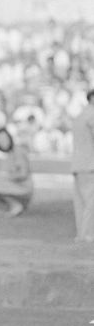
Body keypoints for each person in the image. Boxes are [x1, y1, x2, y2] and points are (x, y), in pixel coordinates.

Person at [71, 89, 94, 242]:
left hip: (78, 164)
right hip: (90, 164)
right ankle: (87, 234)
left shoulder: (80, 116)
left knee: (81, 202)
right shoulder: (91, 115)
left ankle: (82, 233)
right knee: (90, 202)